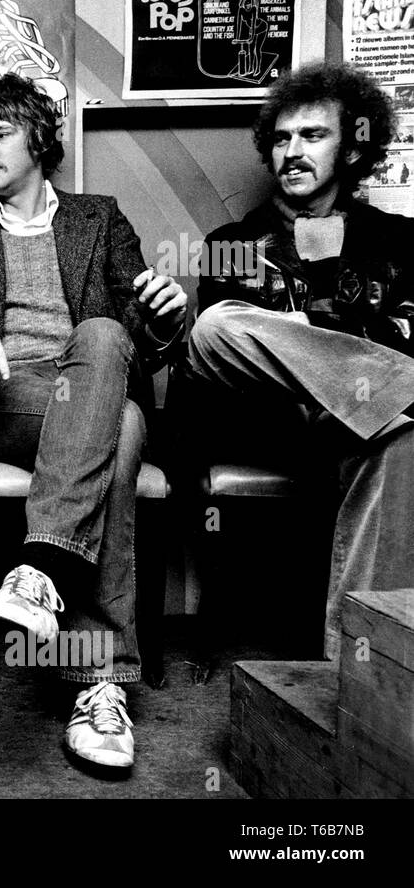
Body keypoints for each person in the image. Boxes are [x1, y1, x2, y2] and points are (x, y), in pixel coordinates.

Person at [0, 73, 187, 770]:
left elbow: (136, 333)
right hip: (0, 398)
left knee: (109, 371)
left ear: (38, 140)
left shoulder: (100, 217)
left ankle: (45, 582)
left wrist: (165, 318)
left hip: (89, 388)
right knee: (118, 422)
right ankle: (98, 673)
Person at [187, 61, 414, 661]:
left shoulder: (401, 242)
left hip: (364, 426)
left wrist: (304, 334)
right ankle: (398, 392)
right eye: (282, 138)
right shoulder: (231, 243)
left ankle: (356, 674)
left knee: (400, 437)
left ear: (352, 148)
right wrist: (349, 347)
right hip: (269, 424)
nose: (292, 152)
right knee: (214, 327)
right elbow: (226, 351)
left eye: (313, 135)